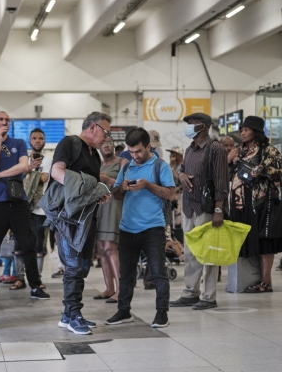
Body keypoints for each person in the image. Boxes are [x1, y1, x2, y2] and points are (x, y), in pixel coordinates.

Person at [106, 128, 176, 328]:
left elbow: (171, 194)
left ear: (148, 147)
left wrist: (147, 186)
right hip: (128, 228)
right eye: (131, 152)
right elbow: (117, 195)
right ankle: (123, 311)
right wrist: (122, 188)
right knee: (125, 273)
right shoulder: (126, 166)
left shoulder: (161, 166)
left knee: (158, 272)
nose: (134, 156)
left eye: (138, 151)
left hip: (153, 228)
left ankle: (162, 313)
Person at [50, 112, 112, 335]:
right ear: (93, 127)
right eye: (105, 132)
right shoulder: (70, 143)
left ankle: (68, 315)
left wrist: (97, 194)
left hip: (87, 218)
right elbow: (56, 172)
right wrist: (87, 189)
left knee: (84, 266)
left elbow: (90, 183)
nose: (106, 137)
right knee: (74, 266)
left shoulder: (94, 155)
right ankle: (74, 314)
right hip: (68, 219)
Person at [0, 111, 50, 303]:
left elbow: (23, 167)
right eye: (1, 120)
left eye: (7, 120)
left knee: (27, 245)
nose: (4, 122)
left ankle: (35, 286)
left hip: (18, 201)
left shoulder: (18, 143)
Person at [170, 113, 228, 310]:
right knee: (191, 252)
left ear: (202, 126)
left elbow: (221, 181)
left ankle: (209, 296)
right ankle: (190, 292)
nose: (188, 127)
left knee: (208, 252)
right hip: (188, 207)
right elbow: (182, 170)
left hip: (207, 207)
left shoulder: (216, 148)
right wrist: (182, 175)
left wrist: (219, 210)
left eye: (192, 124)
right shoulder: (189, 149)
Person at [228, 116, 282, 293]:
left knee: (264, 240)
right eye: (241, 129)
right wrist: (229, 160)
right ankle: (258, 279)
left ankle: (266, 282)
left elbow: (277, 172)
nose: (242, 132)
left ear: (256, 131)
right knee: (253, 241)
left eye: (246, 129)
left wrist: (260, 170)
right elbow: (230, 174)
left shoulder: (269, 151)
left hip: (262, 201)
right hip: (242, 203)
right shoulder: (240, 151)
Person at [12, 128, 53, 290]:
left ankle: (37, 278)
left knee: (38, 245)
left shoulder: (49, 159)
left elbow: (44, 177)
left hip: (40, 208)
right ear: (29, 141)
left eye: (40, 138)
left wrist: (28, 171)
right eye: (34, 138)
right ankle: (20, 278)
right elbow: (16, 176)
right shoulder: (22, 159)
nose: (37, 141)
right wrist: (27, 167)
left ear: (44, 141)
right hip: (21, 206)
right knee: (18, 244)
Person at [94, 140, 126, 304]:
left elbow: (126, 185)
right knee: (102, 249)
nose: (106, 145)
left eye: (109, 142)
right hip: (99, 208)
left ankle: (121, 290)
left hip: (114, 207)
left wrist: (107, 179)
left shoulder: (122, 162)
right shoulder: (96, 164)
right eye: (103, 143)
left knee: (110, 247)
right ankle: (109, 288)